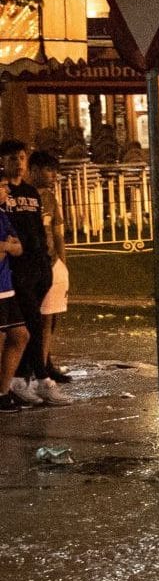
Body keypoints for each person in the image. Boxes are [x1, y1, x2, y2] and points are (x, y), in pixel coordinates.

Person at [29, 152, 71, 396]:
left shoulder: (50, 198)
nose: (53, 175)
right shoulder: (23, 195)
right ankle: (34, 369)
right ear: (34, 169)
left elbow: (57, 233)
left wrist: (63, 265)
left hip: (52, 263)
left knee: (50, 318)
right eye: (48, 170)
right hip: (32, 265)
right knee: (31, 319)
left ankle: (45, 363)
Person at [0, 178, 29, 415]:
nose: (6, 190)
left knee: (20, 335)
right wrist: (6, 246)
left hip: (6, 286)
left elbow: (18, 248)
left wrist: (6, 247)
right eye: (1, 186)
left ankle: (3, 391)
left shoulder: (2, 215)